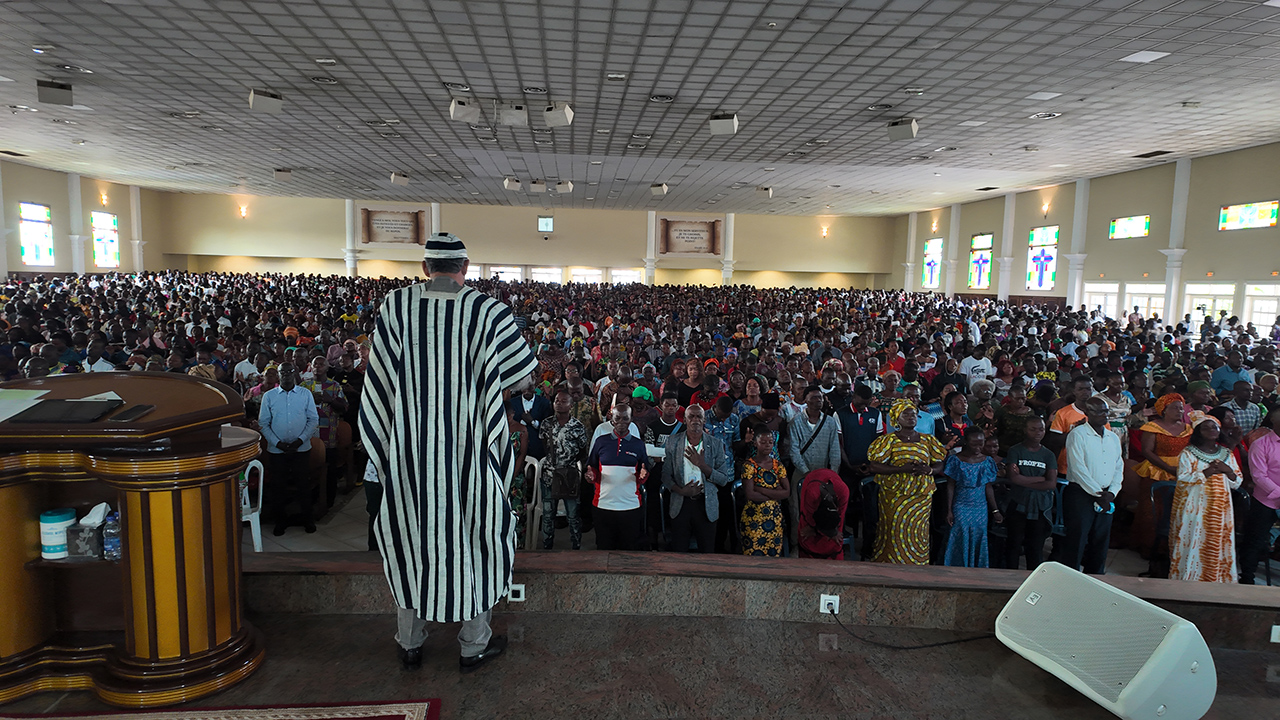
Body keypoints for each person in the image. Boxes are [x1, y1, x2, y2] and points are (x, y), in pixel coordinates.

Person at [359, 233, 536, 673]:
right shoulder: (488, 311)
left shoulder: (396, 307)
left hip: (410, 456)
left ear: (425, 268)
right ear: (466, 267)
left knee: (410, 537)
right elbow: (523, 380)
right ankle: (473, 645)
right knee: (478, 536)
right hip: (470, 454)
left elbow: (379, 384)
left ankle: (410, 643)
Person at [866, 400, 948, 565]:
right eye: (906, 414)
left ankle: (917, 564)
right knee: (895, 529)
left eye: (914, 414)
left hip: (921, 496)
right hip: (895, 496)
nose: (911, 417)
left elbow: (939, 462)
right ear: (897, 418)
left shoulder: (927, 440)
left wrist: (929, 470)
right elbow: (874, 466)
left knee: (919, 530)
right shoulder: (888, 440)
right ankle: (892, 564)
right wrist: (901, 469)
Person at [1170, 416, 1242, 583]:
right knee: (1194, 541)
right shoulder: (1188, 453)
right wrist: (1207, 472)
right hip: (1195, 506)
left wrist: (1228, 471)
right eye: (1206, 428)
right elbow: (1183, 478)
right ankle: (1189, 581)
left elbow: (1237, 482)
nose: (1211, 430)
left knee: (1217, 542)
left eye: (1215, 427)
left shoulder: (1227, 454)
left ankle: (1216, 581)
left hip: (1220, 507)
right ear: (1198, 432)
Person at [1061, 397, 1124, 574]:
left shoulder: (1112, 438)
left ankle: (1096, 576)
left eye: (1106, 411)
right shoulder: (1077, 435)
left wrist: (1112, 492)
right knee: (1077, 539)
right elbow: (1078, 469)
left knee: (1101, 540)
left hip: (1106, 495)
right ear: (1087, 413)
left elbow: (1118, 466)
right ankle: (1071, 577)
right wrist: (1098, 494)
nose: (1104, 415)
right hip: (1081, 493)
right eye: (1098, 411)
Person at [258, 362, 319, 536]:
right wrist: (277, 443)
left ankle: (307, 519)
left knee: (303, 485)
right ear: (278, 375)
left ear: (295, 373)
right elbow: (263, 423)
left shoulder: (305, 394)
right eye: (282, 372)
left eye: (289, 371)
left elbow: (313, 420)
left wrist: (300, 441)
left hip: (301, 448)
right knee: (278, 487)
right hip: (277, 450)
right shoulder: (269, 396)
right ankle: (280, 522)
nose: (286, 375)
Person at [661, 404, 732, 553]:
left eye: (699, 416)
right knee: (679, 551)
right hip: (681, 504)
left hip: (705, 505)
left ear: (704, 420)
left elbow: (723, 479)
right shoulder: (673, 442)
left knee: (707, 552)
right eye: (691, 416)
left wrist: (702, 466)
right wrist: (681, 490)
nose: (695, 420)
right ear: (684, 420)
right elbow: (666, 475)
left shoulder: (715, 444)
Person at [1133, 393, 1193, 551]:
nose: (1180, 411)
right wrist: (1168, 468)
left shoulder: (1188, 429)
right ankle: (1149, 546)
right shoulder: (1153, 427)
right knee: (1153, 510)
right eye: (1175, 408)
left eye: (1181, 408)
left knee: (1176, 509)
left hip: (1182, 471)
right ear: (1164, 410)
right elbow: (1147, 451)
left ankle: (1172, 547)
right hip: (1157, 469)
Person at [586, 405, 650, 550]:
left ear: (631, 420)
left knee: (629, 550)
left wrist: (643, 475)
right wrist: (590, 476)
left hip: (631, 507)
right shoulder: (601, 442)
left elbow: (644, 472)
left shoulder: (638, 444)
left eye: (625, 418)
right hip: (603, 506)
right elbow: (592, 468)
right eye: (617, 418)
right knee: (604, 548)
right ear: (611, 419)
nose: (621, 422)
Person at [787, 384, 841, 556]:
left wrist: (833, 474)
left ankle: (821, 546)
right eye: (814, 398)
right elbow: (794, 451)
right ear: (806, 400)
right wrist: (807, 473)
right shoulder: (795, 422)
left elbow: (834, 450)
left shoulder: (830, 422)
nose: (818, 401)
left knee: (823, 510)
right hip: (801, 474)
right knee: (798, 511)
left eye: (820, 397)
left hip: (824, 475)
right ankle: (798, 544)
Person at [1004, 416, 1058, 570]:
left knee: (1035, 546)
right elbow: (1014, 478)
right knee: (1013, 543)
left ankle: (1033, 578)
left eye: (1041, 429)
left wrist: (1024, 478)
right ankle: (1010, 577)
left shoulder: (1048, 455)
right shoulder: (1015, 450)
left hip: (1040, 506)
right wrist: (1040, 478)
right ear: (1025, 430)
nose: (1037, 433)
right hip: (1018, 502)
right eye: (1033, 429)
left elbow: (1051, 484)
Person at [942, 426, 1001, 568]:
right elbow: (950, 486)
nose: (978, 448)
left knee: (979, 536)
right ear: (966, 442)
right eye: (974, 444)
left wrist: (995, 510)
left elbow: (988, 487)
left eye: (981, 444)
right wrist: (949, 510)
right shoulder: (955, 460)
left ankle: (976, 568)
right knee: (960, 535)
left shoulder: (987, 461)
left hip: (980, 507)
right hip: (961, 505)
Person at [538, 388, 589, 550]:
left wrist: (568, 462)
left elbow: (582, 451)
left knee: (573, 515)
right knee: (548, 515)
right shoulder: (546, 424)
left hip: (569, 475)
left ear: (571, 405)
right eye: (556, 401)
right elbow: (544, 447)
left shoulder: (577, 426)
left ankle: (576, 546)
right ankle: (547, 546)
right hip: (549, 475)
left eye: (563, 401)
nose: (559, 404)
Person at [1241, 406, 1280, 584]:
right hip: (1266, 500)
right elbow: (1258, 476)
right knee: (1255, 541)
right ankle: (1247, 578)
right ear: (1274, 421)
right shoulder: (1260, 444)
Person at [740, 422, 789, 557]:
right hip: (754, 518)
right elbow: (750, 495)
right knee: (753, 556)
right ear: (755, 443)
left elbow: (787, 492)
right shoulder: (749, 465)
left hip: (774, 518)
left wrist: (760, 489)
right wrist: (776, 493)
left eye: (770, 442)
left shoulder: (778, 465)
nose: (767, 445)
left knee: (774, 557)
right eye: (763, 442)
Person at [798, 469, 849, 560]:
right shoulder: (812, 493)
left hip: (834, 489)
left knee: (835, 541)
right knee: (807, 535)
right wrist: (813, 528)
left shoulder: (843, 492)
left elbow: (841, 514)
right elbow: (808, 515)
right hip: (813, 481)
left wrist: (835, 532)